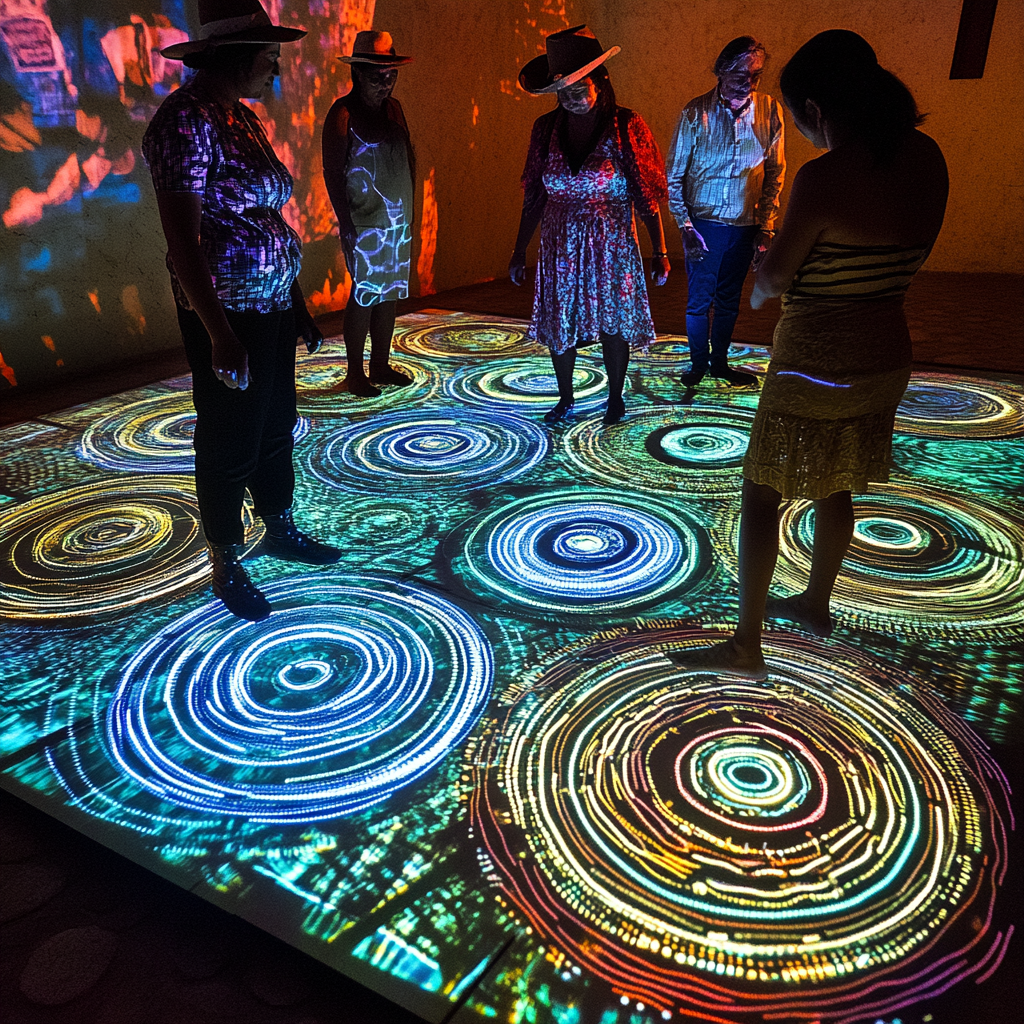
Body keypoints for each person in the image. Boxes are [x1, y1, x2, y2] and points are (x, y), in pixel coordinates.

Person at [669, 30, 948, 679]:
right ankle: (816, 604)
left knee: (763, 493)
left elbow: (769, 287)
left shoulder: (825, 180)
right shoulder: (928, 157)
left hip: (814, 358)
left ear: (818, 109)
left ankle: (745, 645)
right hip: (885, 352)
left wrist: (767, 269)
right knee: (836, 483)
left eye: (796, 116)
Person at [143, 0, 341, 623]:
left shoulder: (238, 117)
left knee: (277, 420)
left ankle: (279, 524)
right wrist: (219, 333)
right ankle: (226, 560)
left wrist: (296, 303)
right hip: (227, 310)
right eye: (269, 58)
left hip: (270, 303)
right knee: (231, 433)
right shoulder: (184, 122)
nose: (276, 70)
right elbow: (182, 239)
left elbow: (268, 219)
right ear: (235, 56)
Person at [510, 25, 670, 426]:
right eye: (561, 93)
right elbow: (534, 195)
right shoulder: (546, 129)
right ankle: (565, 397)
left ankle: (615, 397)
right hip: (559, 243)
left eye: (577, 90)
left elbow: (645, 194)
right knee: (559, 319)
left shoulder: (625, 126)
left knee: (613, 319)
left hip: (611, 241)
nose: (569, 100)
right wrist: (518, 250)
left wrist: (661, 250)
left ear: (601, 81)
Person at [666, 36, 785, 387]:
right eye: (739, 75)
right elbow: (673, 178)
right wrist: (686, 227)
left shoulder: (769, 111)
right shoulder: (694, 113)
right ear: (720, 72)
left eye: (755, 75)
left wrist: (766, 228)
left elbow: (775, 174)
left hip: (745, 225)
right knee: (700, 300)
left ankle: (720, 363)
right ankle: (698, 364)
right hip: (704, 225)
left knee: (730, 300)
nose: (747, 83)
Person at [322, 31, 414, 398]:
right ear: (358, 73)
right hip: (364, 220)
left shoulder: (395, 110)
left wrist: (410, 213)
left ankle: (380, 364)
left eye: (391, 74)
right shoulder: (343, 114)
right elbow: (332, 172)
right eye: (377, 75)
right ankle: (355, 371)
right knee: (364, 294)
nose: (385, 82)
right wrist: (345, 223)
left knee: (389, 294)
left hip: (396, 219)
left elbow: (409, 161)